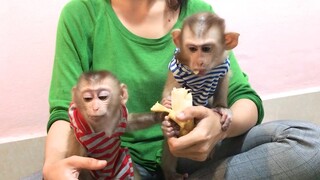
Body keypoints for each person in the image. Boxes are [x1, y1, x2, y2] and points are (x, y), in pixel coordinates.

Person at [43, 0, 320, 179]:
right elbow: (63, 110)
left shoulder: (198, 13)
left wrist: (219, 127)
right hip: (117, 160)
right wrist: (54, 165)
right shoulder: (82, 14)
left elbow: (244, 99)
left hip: (194, 153)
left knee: (309, 143)